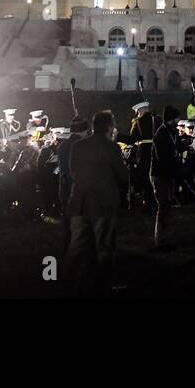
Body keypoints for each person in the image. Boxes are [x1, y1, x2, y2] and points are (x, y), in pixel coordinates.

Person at [66, 110, 129, 295]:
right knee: (104, 246)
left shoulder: (77, 146)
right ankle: (103, 285)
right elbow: (123, 176)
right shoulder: (112, 148)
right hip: (103, 202)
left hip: (79, 200)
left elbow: (72, 172)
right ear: (110, 127)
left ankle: (68, 281)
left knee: (76, 245)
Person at [150, 105, 182, 248]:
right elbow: (163, 158)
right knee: (163, 206)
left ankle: (167, 236)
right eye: (176, 118)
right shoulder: (161, 135)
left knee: (167, 206)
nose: (178, 120)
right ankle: (160, 240)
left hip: (167, 174)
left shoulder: (171, 132)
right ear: (171, 119)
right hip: (160, 175)